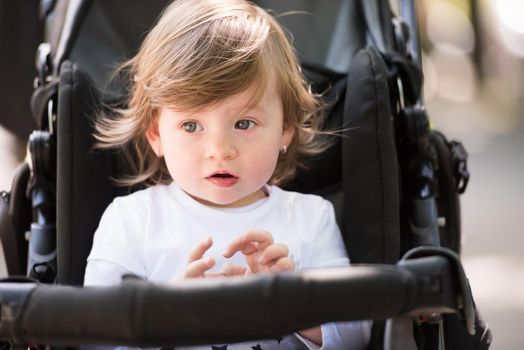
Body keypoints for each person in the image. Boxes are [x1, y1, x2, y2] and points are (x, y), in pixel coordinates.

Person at [84, 0, 371, 348]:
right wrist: (163, 315)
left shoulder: (310, 218)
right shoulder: (131, 221)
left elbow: (357, 337)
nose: (219, 149)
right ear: (156, 134)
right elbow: (95, 338)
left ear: (285, 129)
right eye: (192, 125)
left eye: (244, 123)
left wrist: (296, 303)